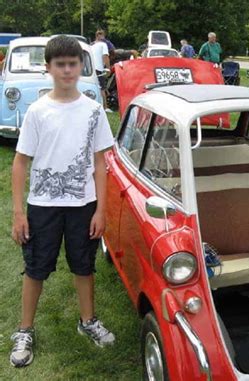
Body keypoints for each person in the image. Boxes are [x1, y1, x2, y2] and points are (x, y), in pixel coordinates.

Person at [10, 35, 115, 368]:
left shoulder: (94, 111)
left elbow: (100, 163)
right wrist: (18, 212)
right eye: (61, 64)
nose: (68, 70)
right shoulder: (38, 112)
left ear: (81, 66)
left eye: (73, 64)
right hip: (42, 206)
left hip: (83, 206)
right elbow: (20, 162)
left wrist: (100, 208)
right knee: (36, 267)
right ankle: (25, 330)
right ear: (49, 68)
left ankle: (88, 321)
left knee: (84, 265)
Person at [90, 30, 112, 113]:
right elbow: (105, 56)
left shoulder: (91, 45)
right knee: (102, 87)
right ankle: (105, 107)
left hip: (91, 69)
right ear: (98, 35)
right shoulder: (103, 44)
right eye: (102, 35)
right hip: (99, 69)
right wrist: (108, 68)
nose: (103, 36)